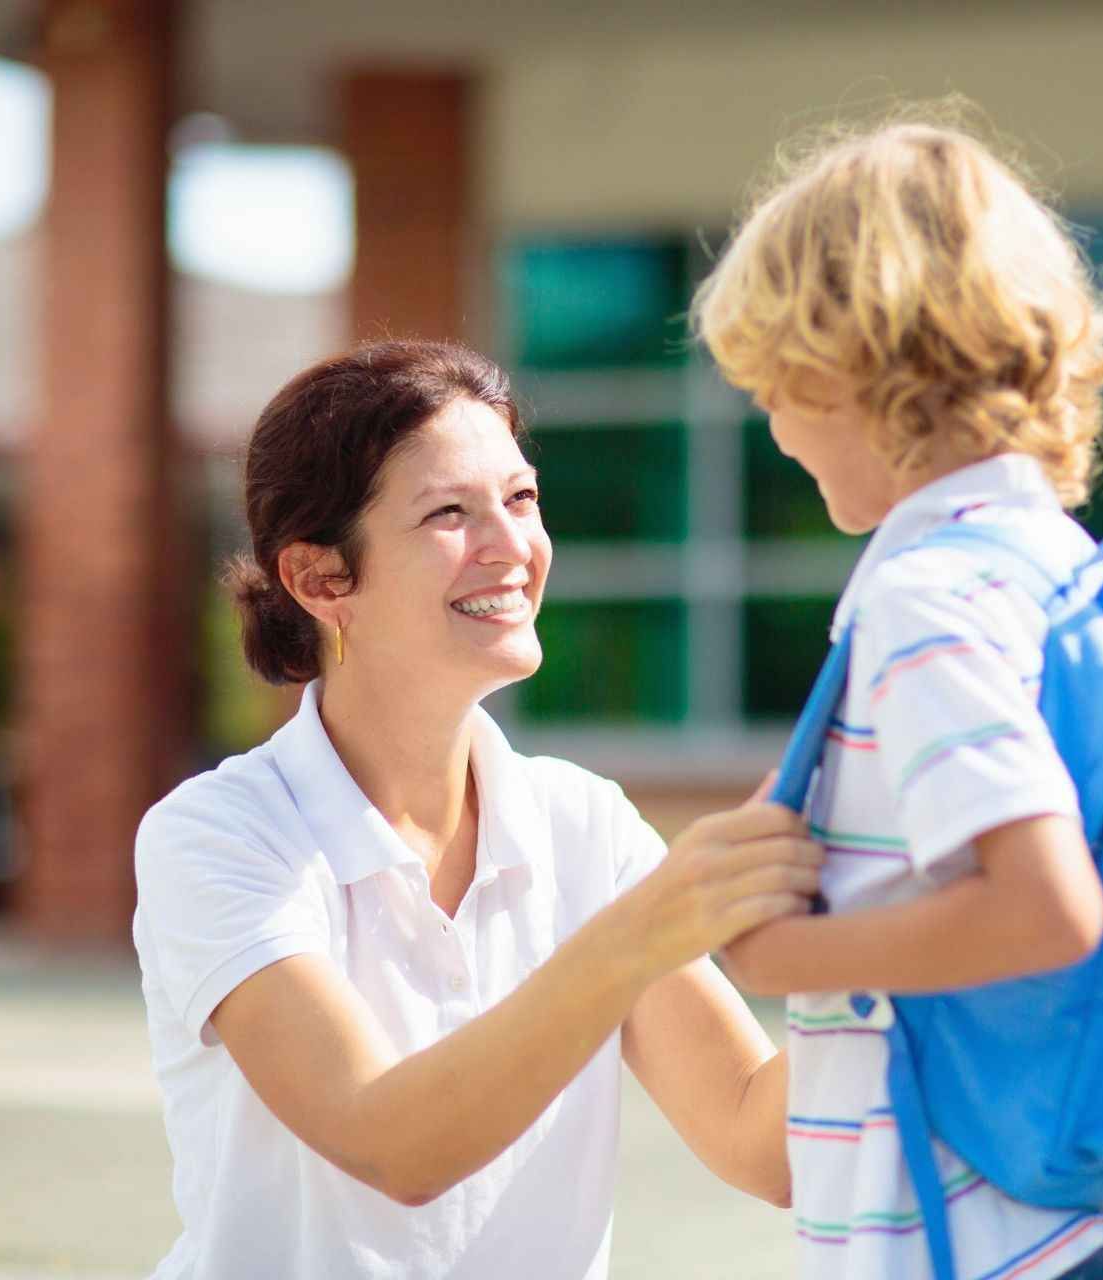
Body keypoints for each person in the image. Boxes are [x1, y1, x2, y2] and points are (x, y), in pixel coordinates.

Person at [131, 339, 824, 1278]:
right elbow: (393, 1144)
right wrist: (643, 931)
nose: (512, 546)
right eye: (450, 512)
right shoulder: (216, 838)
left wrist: (897, 937)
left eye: (522, 498)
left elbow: (758, 1135)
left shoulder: (586, 824)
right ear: (320, 578)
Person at [690, 115, 1103, 1279]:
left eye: (776, 383)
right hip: (1058, 1209)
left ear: (856, 369)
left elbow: (1047, 908)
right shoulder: (1053, 560)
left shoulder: (925, 601)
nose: (771, 426)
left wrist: (776, 959)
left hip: (959, 1233)